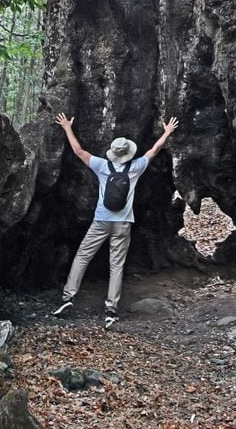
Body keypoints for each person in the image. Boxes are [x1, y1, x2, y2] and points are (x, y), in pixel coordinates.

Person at [53, 112, 179, 329]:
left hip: (101, 220)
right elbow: (154, 150)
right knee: (116, 265)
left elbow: (78, 151)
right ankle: (111, 310)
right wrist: (166, 132)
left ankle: (68, 297)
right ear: (128, 154)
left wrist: (67, 127)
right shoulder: (136, 167)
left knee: (82, 256)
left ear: (113, 153)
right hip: (123, 223)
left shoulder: (102, 166)